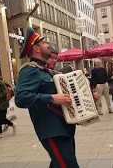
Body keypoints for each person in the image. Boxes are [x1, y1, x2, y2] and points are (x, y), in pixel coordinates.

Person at [14, 27, 99, 168]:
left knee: (59, 164)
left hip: (65, 126)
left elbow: (68, 94)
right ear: (36, 48)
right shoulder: (30, 70)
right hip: (51, 130)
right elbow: (21, 98)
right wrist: (52, 98)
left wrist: (89, 98)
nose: (47, 45)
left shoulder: (47, 72)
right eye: (43, 42)